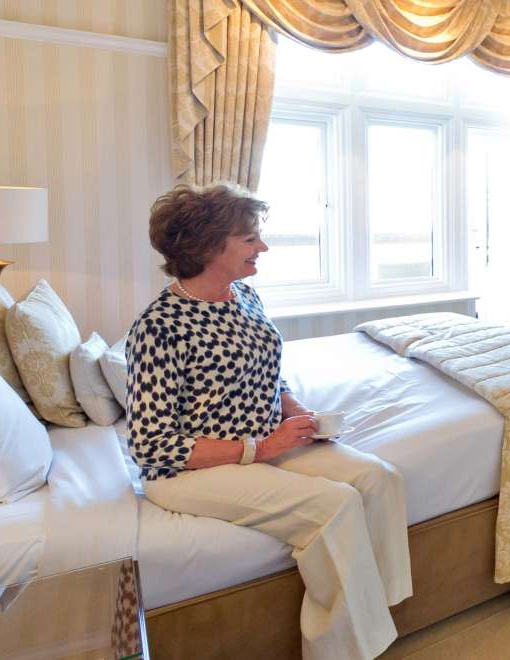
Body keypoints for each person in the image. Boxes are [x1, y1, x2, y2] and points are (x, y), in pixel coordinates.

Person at [126, 183, 411, 660]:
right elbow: (152, 446)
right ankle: (341, 649)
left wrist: (292, 406)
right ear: (209, 245)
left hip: (265, 440)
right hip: (189, 470)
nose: (263, 247)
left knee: (379, 477)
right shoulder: (158, 326)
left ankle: (376, 612)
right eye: (250, 239)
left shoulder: (245, 296)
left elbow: (268, 372)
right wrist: (263, 449)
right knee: (335, 505)